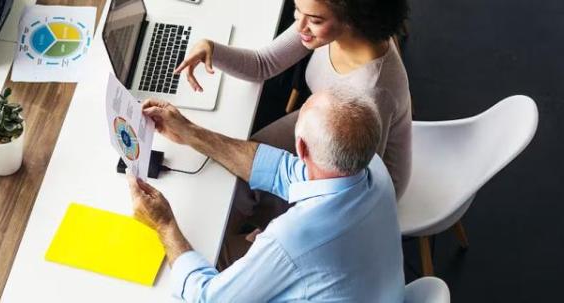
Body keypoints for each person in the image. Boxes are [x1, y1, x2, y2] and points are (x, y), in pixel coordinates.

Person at [177, 0, 411, 255]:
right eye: (297, 10)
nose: (300, 25)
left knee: (248, 174)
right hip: (326, 122)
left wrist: (279, 228)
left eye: (314, 19)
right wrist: (210, 49)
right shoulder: (324, 26)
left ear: (352, 18)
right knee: (244, 163)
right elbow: (262, 64)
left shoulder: (372, 92)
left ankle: (221, 247)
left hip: (358, 175)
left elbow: (351, 187)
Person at [131, 86, 404, 301]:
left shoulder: (291, 238)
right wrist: (190, 133)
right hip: (376, 287)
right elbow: (278, 170)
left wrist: (164, 224)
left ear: (302, 148)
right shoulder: (369, 164)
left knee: (185, 267)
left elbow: (207, 298)